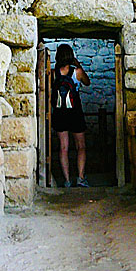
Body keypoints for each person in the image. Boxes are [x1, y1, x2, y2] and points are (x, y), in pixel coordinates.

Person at [51, 44, 91, 188]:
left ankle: (67, 180)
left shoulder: (53, 73)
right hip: (75, 112)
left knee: (63, 147)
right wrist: (78, 65)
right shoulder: (77, 72)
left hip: (60, 113)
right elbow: (87, 82)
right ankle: (80, 177)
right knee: (81, 146)